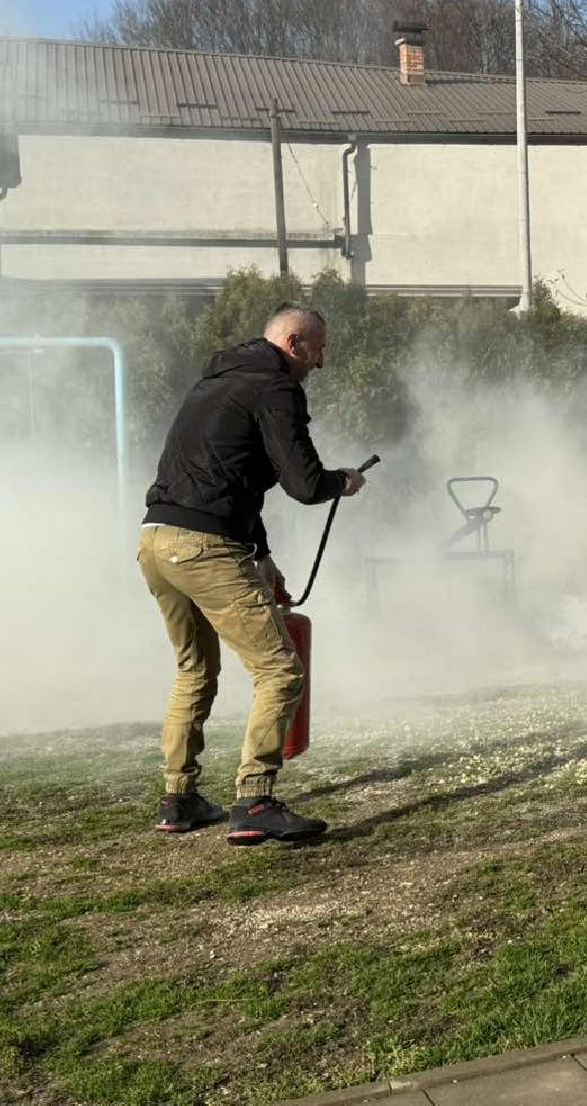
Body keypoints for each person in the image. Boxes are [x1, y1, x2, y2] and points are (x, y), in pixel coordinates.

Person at [139, 304, 368, 841]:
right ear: (293, 344)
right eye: (318, 348)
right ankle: (256, 801)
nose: (322, 360)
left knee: (194, 671)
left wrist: (261, 557)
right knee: (281, 672)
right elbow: (306, 485)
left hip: (155, 541)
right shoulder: (276, 388)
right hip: (205, 548)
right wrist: (344, 481)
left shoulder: (216, 383)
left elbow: (231, 480)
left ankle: (179, 798)